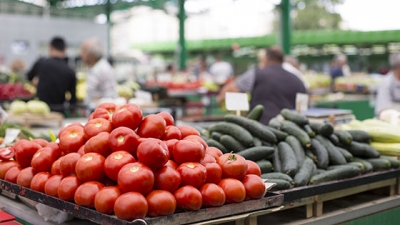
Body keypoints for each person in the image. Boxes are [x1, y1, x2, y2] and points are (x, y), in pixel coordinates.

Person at [217, 46, 306, 124]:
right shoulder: (297, 79)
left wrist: (220, 100)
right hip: (290, 130)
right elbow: (304, 107)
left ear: (266, 59)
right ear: (282, 60)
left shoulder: (256, 74)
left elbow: (230, 89)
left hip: (261, 130)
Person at [27, 37, 76, 113]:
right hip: (58, 111)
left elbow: (28, 77)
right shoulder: (70, 71)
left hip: (39, 110)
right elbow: (73, 99)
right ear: (65, 49)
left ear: (50, 47)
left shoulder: (41, 63)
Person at [80, 38, 118, 108]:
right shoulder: (101, 66)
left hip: (103, 112)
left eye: (83, 51)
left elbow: (91, 95)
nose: (81, 54)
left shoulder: (99, 70)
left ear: (92, 55)